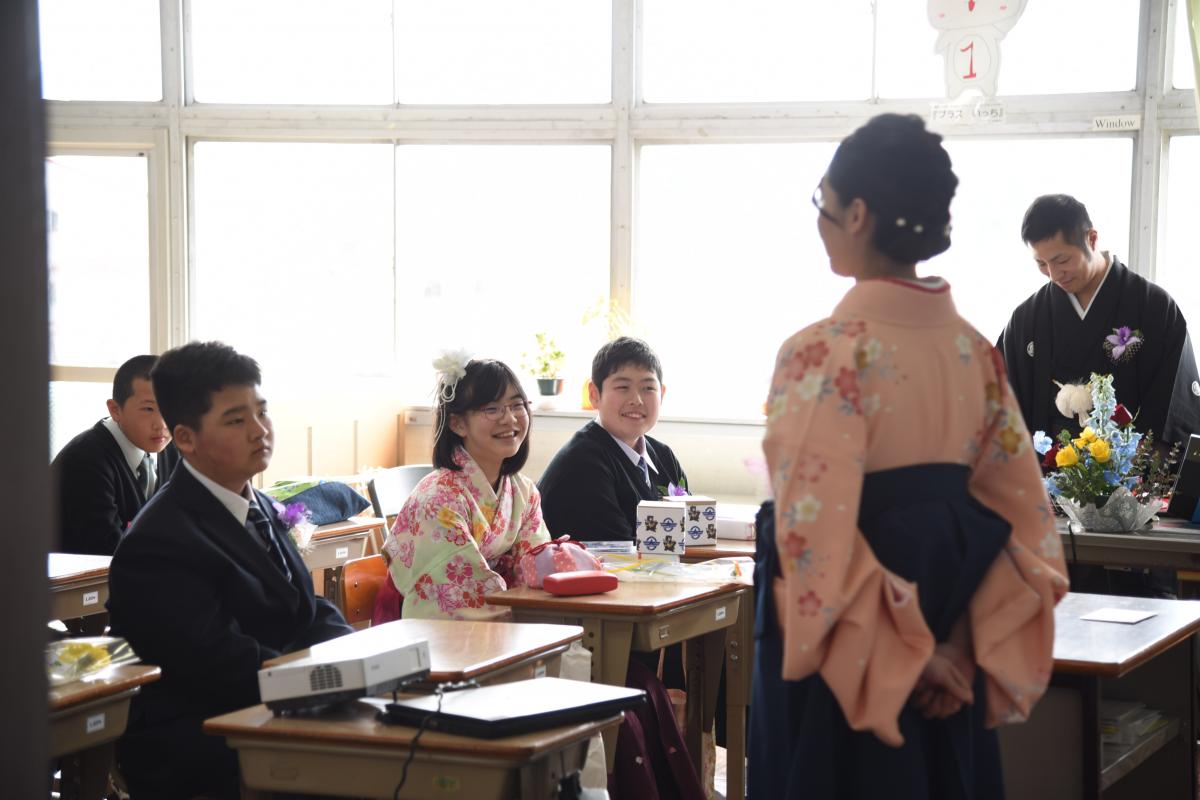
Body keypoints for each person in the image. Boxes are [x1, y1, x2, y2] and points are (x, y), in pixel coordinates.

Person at [751, 113, 1068, 800]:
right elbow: (1019, 518)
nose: (822, 218)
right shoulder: (974, 353)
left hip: (850, 663)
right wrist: (953, 646)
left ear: (857, 213)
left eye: (823, 202)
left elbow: (812, 532)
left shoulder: (822, 352)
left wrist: (908, 656)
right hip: (955, 650)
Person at [106, 342, 352, 799]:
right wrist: (329, 679)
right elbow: (217, 660)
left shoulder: (252, 502)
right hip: (203, 738)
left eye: (262, 413)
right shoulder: (158, 541)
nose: (259, 431)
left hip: (271, 704)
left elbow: (306, 608)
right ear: (185, 438)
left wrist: (360, 660)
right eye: (237, 420)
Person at [998, 194, 1200, 446]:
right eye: (1041, 264)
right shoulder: (1027, 319)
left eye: (1062, 260)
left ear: (1091, 239)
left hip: (1130, 475)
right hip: (1046, 475)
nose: (1053, 274)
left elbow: (1173, 410)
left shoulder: (1153, 307)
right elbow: (1000, 404)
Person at [379, 357, 550, 619]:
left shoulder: (524, 493)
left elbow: (535, 571)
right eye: (492, 409)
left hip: (501, 613)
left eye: (517, 405)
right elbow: (460, 596)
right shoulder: (439, 499)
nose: (510, 418)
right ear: (457, 423)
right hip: (428, 629)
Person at [538, 337, 688, 541]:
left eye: (648, 388)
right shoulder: (583, 465)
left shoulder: (663, 456)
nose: (636, 400)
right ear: (594, 394)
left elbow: (690, 532)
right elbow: (618, 555)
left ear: (662, 394)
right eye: (622, 387)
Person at [52, 354, 179, 555]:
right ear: (115, 410)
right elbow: (107, 548)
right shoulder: (85, 461)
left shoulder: (173, 448)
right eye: (148, 409)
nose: (162, 424)